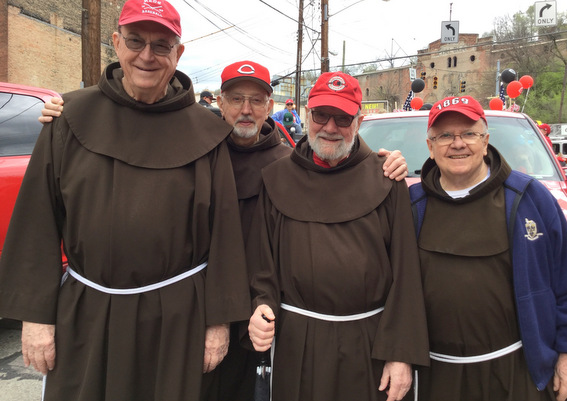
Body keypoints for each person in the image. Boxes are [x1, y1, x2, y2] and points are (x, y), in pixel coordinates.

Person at [40, 61, 410, 401]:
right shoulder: (195, 148)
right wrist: (69, 109)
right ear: (219, 101)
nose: (245, 109)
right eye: (235, 99)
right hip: (196, 309)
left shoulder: (284, 165)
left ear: (270, 106)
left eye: (256, 100)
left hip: (271, 324)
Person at [0, 1, 250, 400]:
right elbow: (37, 220)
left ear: (178, 53)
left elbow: (225, 234)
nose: (147, 56)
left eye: (161, 45)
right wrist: (36, 317)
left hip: (178, 318)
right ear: (116, 43)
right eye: (135, 41)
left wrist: (218, 324)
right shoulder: (69, 117)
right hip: (87, 312)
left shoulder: (208, 132)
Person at [247, 71, 429, 401]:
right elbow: (264, 265)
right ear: (307, 115)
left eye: (343, 118)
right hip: (295, 342)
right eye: (321, 115)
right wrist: (261, 306)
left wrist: (401, 353)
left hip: (369, 344)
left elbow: (406, 274)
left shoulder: (386, 178)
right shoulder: (276, 178)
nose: (331, 127)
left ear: (358, 121)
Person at [409, 96, 567, 401]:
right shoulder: (411, 206)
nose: (457, 144)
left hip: (517, 373)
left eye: (469, 133)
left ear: (485, 141)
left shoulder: (529, 197)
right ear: (430, 147)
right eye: (444, 135)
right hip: (434, 377)